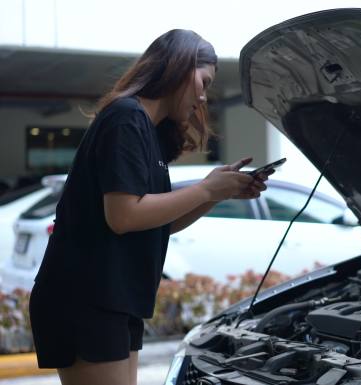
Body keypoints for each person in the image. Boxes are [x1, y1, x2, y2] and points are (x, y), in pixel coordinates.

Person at [28, 29, 269, 385]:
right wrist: (205, 188)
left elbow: (156, 221)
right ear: (181, 68)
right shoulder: (126, 118)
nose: (203, 96)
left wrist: (218, 193)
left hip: (115, 297)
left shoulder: (147, 131)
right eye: (203, 81)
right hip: (86, 297)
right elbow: (123, 216)